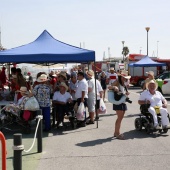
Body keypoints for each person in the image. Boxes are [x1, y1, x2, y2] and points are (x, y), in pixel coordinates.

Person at [108, 70, 131, 140]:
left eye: (125, 77)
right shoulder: (117, 81)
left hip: (122, 101)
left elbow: (122, 92)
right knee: (119, 118)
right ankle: (117, 133)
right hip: (118, 102)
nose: (125, 78)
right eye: (124, 77)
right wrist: (114, 87)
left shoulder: (123, 83)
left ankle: (116, 132)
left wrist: (126, 93)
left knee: (120, 118)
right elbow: (109, 87)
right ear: (121, 76)